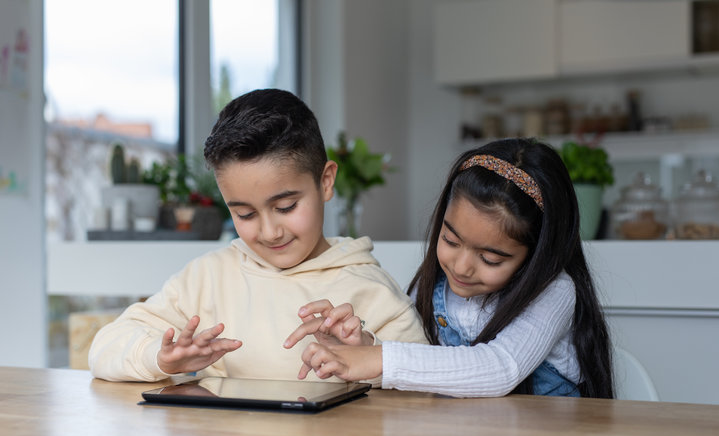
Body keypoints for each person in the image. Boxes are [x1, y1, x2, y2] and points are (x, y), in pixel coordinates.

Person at [88, 88, 427, 382]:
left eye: (286, 207)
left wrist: (368, 356)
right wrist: (159, 358)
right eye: (245, 214)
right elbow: (105, 347)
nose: (269, 231)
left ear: (325, 182)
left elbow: (429, 383)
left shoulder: (370, 289)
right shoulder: (207, 278)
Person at [285, 138, 614, 398]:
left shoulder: (556, 291)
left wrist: (379, 359)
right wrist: (363, 348)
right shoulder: (432, 287)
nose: (461, 266)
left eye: (491, 259)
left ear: (539, 255)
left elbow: (500, 368)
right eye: (450, 240)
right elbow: (420, 367)